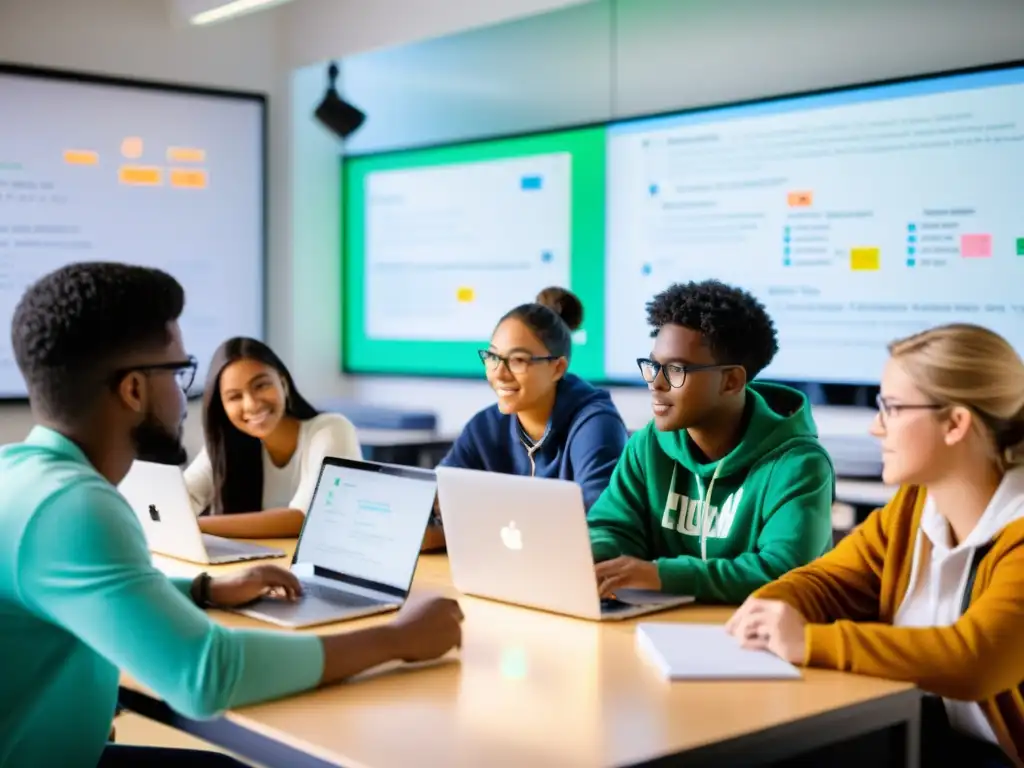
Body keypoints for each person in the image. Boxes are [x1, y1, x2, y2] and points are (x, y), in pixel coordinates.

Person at [0, 262, 463, 768]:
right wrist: (399, 639)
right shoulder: (74, 507)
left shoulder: (19, 473)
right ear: (133, 390)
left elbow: (95, 595)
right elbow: (208, 674)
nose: (185, 394)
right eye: (180, 372)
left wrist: (205, 589)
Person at [727, 323, 1024, 767]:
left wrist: (808, 642)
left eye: (892, 408)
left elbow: (975, 660)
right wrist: (770, 609)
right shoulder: (912, 507)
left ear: (956, 423)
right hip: (931, 734)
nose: (876, 428)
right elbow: (827, 581)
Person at [587, 279, 835, 603]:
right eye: (653, 366)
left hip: (756, 640)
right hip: (660, 627)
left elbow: (783, 571)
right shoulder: (648, 445)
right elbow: (611, 528)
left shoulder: (799, 465)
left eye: (676, 369)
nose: (656, 383)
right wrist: (590, 556)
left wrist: (661, 575)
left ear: (731, 381)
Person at [423, 287, 628, 551]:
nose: (499, 373)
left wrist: (475, 524)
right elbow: (430, 503)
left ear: (557, 368)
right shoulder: (485, 427)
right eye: (493, 357)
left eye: (518, 360)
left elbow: (598, 529)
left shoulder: (595, 425)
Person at [184, 337, 362, 538]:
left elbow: (306, 518)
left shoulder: (331, 430)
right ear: (222, 408)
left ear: (283, 383)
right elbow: (182, 499)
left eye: (260, 386)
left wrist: (198, 525)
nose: (251, 404)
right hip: (263, 565)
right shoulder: (226, 445)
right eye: (235, 397)